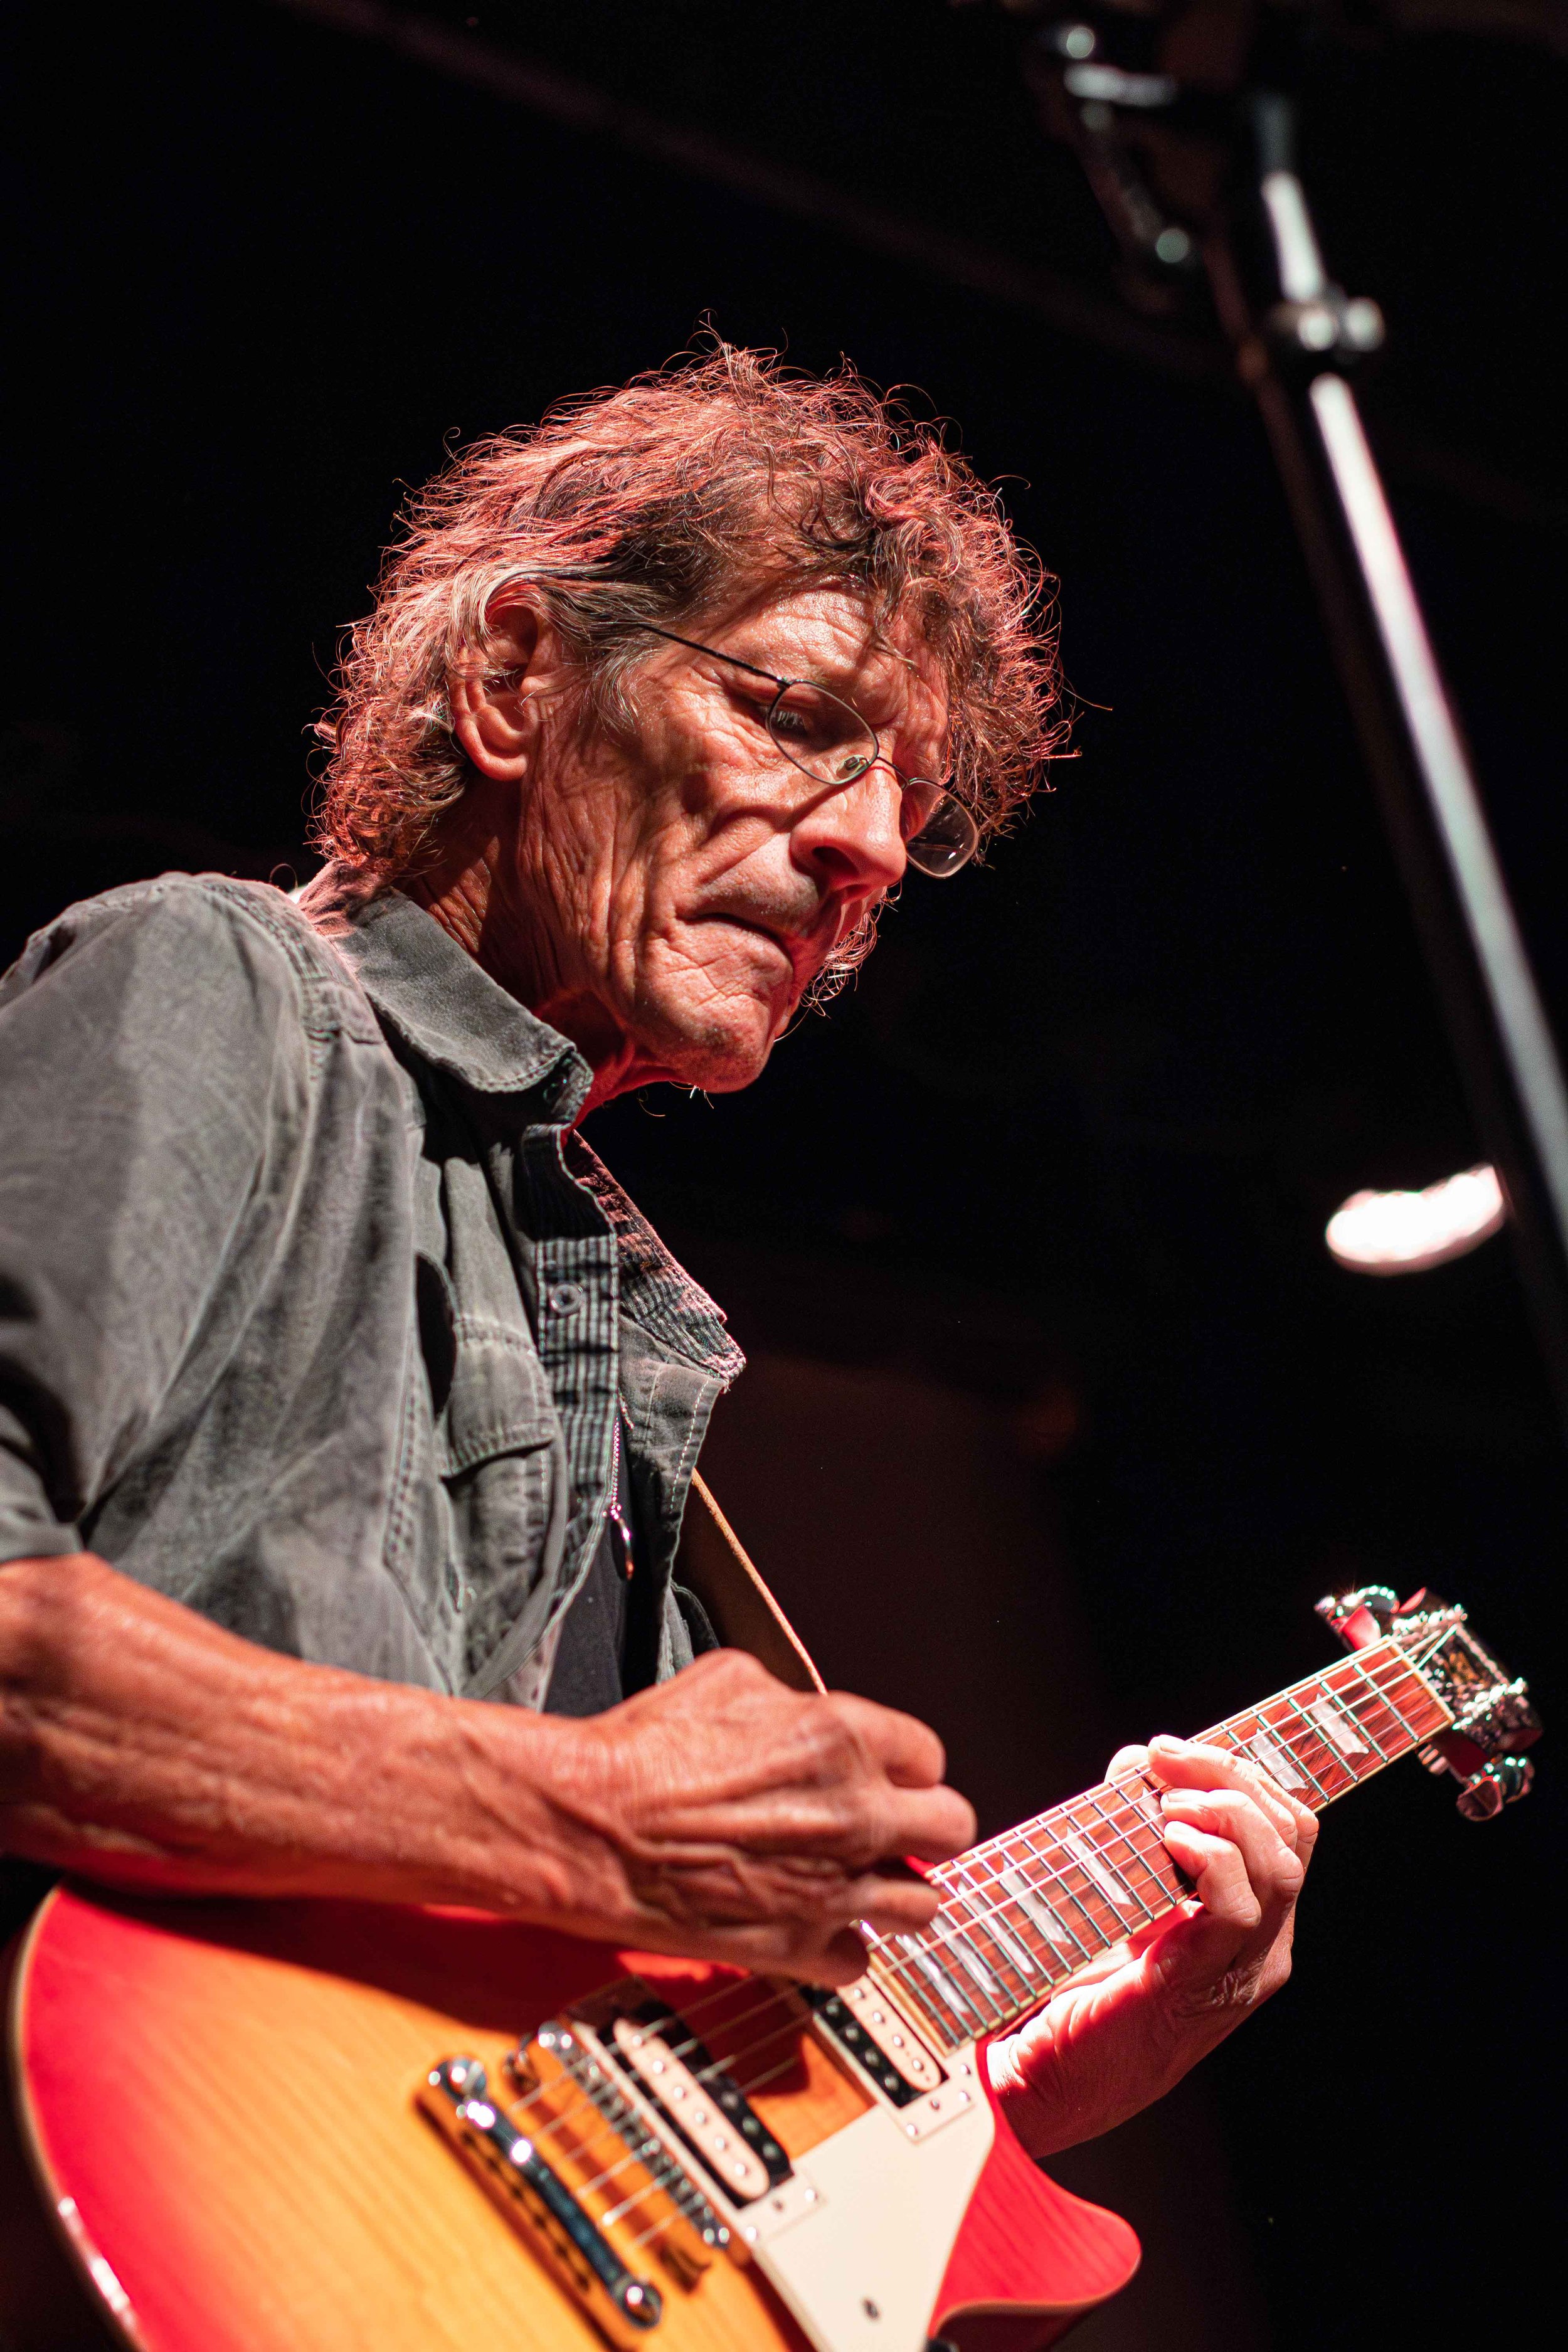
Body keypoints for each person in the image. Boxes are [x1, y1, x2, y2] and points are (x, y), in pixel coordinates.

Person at [0, 346, 1312, 2161]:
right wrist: (572, 1809)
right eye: (787, 715)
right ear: (516, 675)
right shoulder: (224, 991)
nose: (866, 845)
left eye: (910, 812)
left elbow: (585, 2115)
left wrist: (1039, 2076)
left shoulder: (610, 1325)